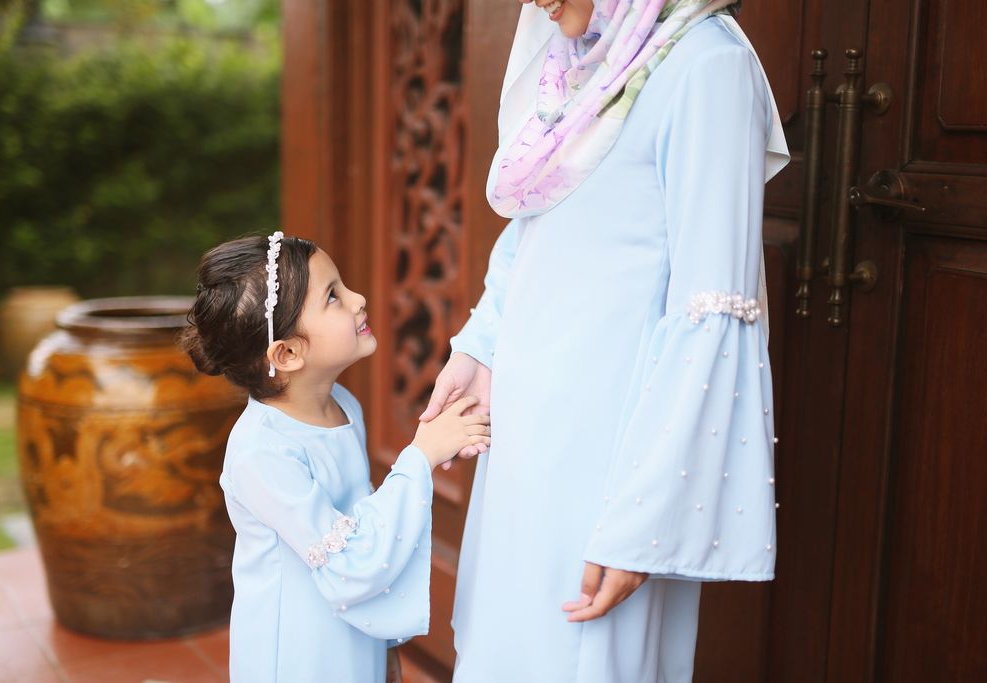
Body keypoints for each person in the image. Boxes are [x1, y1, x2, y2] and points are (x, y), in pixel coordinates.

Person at [419, 0, 790, 680]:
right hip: (526, 441)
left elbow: (713, 309)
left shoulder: (709, 65)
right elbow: (537, 227)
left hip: (609, 459)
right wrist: (480, 346)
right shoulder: (586, 56)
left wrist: (645, 517)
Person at [181, 232, 491, 682]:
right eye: (333, 296)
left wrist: (384, 644)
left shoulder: (343, 405)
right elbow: (348, 561)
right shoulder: (261, 452)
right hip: (297, 651)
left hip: (349, 630)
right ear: (287, 353)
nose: (358, 299)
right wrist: (420, 458)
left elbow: (362, 518)